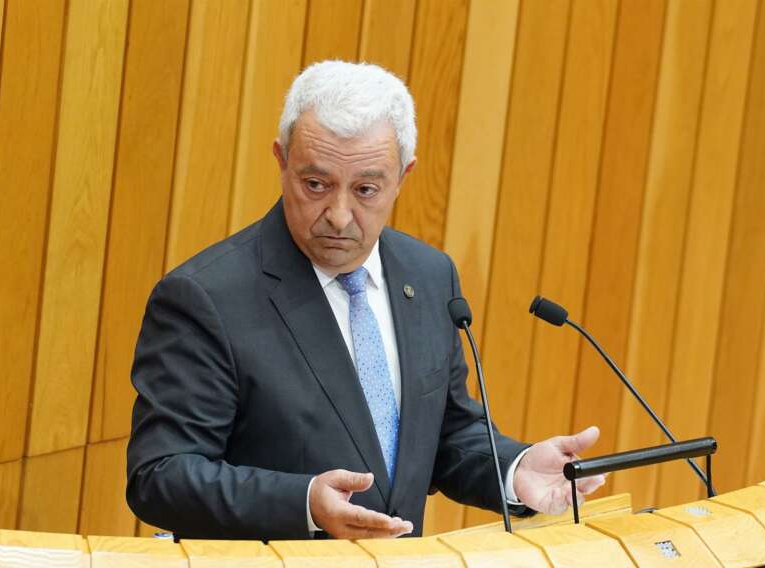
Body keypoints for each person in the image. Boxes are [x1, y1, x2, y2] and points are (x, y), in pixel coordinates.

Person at [126, 60, 605, 541]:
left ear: (403, 177)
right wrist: (303, 503)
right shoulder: (206, 297)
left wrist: (514, 470)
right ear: (281, 160)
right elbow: (160, 476)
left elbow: (443, 435)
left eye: (365, 190)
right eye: (316, 185)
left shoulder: (429, 276)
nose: (338, 215)